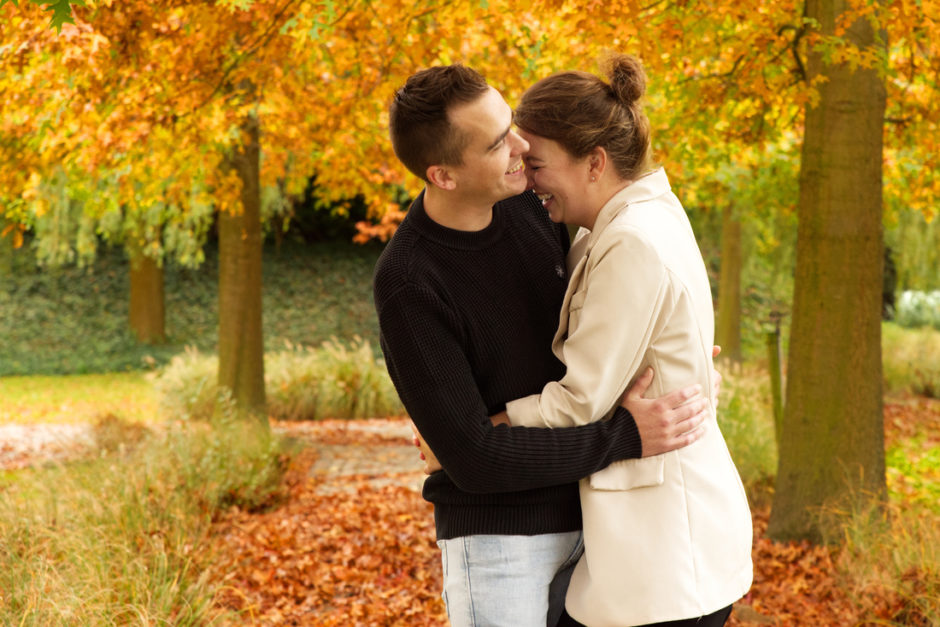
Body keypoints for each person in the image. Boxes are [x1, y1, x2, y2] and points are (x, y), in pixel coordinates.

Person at [373, 64, 715, 627]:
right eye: (496, 142)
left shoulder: (535, 207)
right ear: (444, 175)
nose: (521, 145)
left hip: (600, 517)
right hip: (500, 542)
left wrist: (671, 353)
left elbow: (608, 312)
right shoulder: (409, 281)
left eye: (511, 124)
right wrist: (626, 435)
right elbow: (476, 462)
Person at [494, 54, 753, 626]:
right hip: (662, 552)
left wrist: (478, 432)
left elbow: (580, 401)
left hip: (663, 559)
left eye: (536, 165)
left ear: (594, 162)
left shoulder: (630, 240)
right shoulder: (633, 218)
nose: (526, 181)